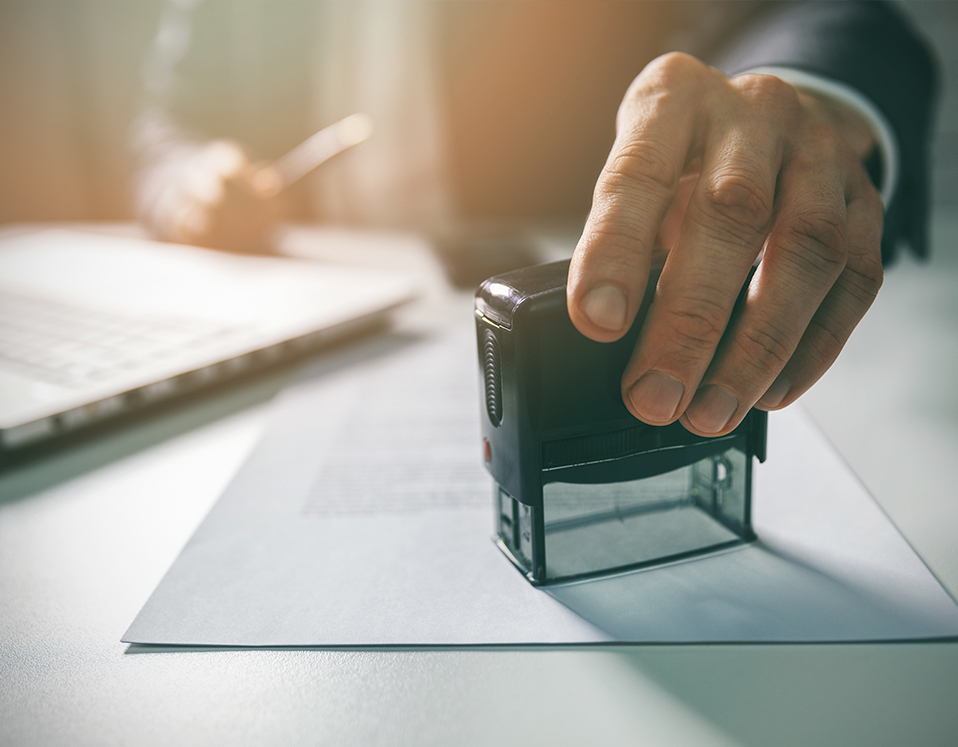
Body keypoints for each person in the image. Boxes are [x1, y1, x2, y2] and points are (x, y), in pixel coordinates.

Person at [133, 0, 938, 438]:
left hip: (567, 305)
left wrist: (802, 99)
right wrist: (184, 177)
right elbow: (166, 122)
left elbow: (842, 18)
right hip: (304, 310)